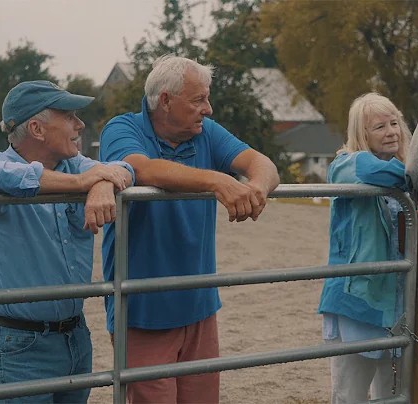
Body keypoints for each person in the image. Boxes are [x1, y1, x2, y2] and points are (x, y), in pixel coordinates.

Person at [99, 54, 280, 404]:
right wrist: (217, 180)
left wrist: (257, 187)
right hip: (142, 314)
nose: (208, 109)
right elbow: (143, 169)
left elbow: (262, 162)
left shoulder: (206, 133)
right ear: (165, 100)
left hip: (200, 307)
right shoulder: (122, 129)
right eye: (199, 100)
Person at [0, 80, 135, 403]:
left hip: (76, 336)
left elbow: (124, 168)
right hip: (21, 344)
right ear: (36, 128)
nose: (80, 124)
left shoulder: (77, 165)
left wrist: (99, 185)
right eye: (69, 116)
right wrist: (80, 182)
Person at [317, 92, 418, 404]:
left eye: (394, 123)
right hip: (356, 300)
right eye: (379, 127)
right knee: (350, 393)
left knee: (392, 392)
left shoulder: (407, 173)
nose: (391, 131)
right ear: (361, 134)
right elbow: (369, 170)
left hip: (397, 300)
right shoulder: (345, 165)